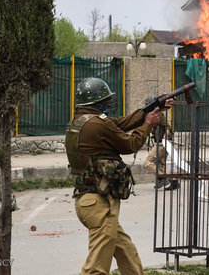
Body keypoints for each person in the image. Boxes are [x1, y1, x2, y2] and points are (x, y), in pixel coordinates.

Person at [65, 77, 172, 275]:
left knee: (126, 252)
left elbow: (120, 123)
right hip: (100, 204)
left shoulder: (81, 121)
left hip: (88, 201)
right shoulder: (97, 124)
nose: (107, 104)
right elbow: (129, 144)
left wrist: (151, 109)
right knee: (96, 269)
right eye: (104, 101)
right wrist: (148, 124)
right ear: (96, 103)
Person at [143, 107, 179, 190]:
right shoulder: (153, 115)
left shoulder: (158, 115)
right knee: (160, 164)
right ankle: (173, 182)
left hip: (162, 143)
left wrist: (165, 135)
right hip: (162, 142)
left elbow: (167, 126)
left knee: (148, 162)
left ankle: (163, 178)